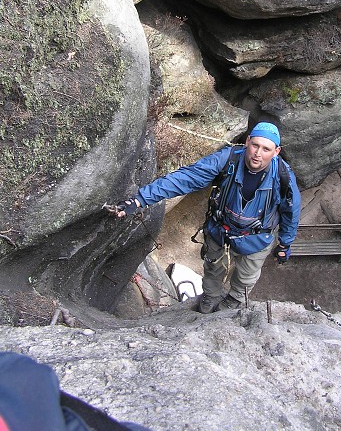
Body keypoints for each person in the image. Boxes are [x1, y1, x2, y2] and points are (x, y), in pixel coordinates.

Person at [112, 122, 301, 314]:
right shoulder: (228, 160)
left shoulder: (283, 177)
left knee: (246, 277)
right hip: (220, 229)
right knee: (212, 270)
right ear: (247, 142)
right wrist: (139, 200)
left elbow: (291, 212)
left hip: (257, 237)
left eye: (266, 149)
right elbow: (186, 178)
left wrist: (285, 244)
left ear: (276, 152)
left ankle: (234, 300)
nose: (257, 153)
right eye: (255, 145)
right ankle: (211, 296)